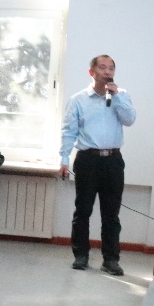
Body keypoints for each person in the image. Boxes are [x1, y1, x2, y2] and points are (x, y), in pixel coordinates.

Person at [60, 54, 136, 276]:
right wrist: (64, 158)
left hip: (113, 160)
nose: (107, 72)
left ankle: (111, 260)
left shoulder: (121, 96)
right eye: (102, 68)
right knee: (83, 210)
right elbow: (69, 131)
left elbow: (130, 120)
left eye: (111, 68)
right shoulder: (78, 100)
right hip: (88, 160)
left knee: (111, 214)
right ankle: (81, 256)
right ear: (91, 72)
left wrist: (117, 97)